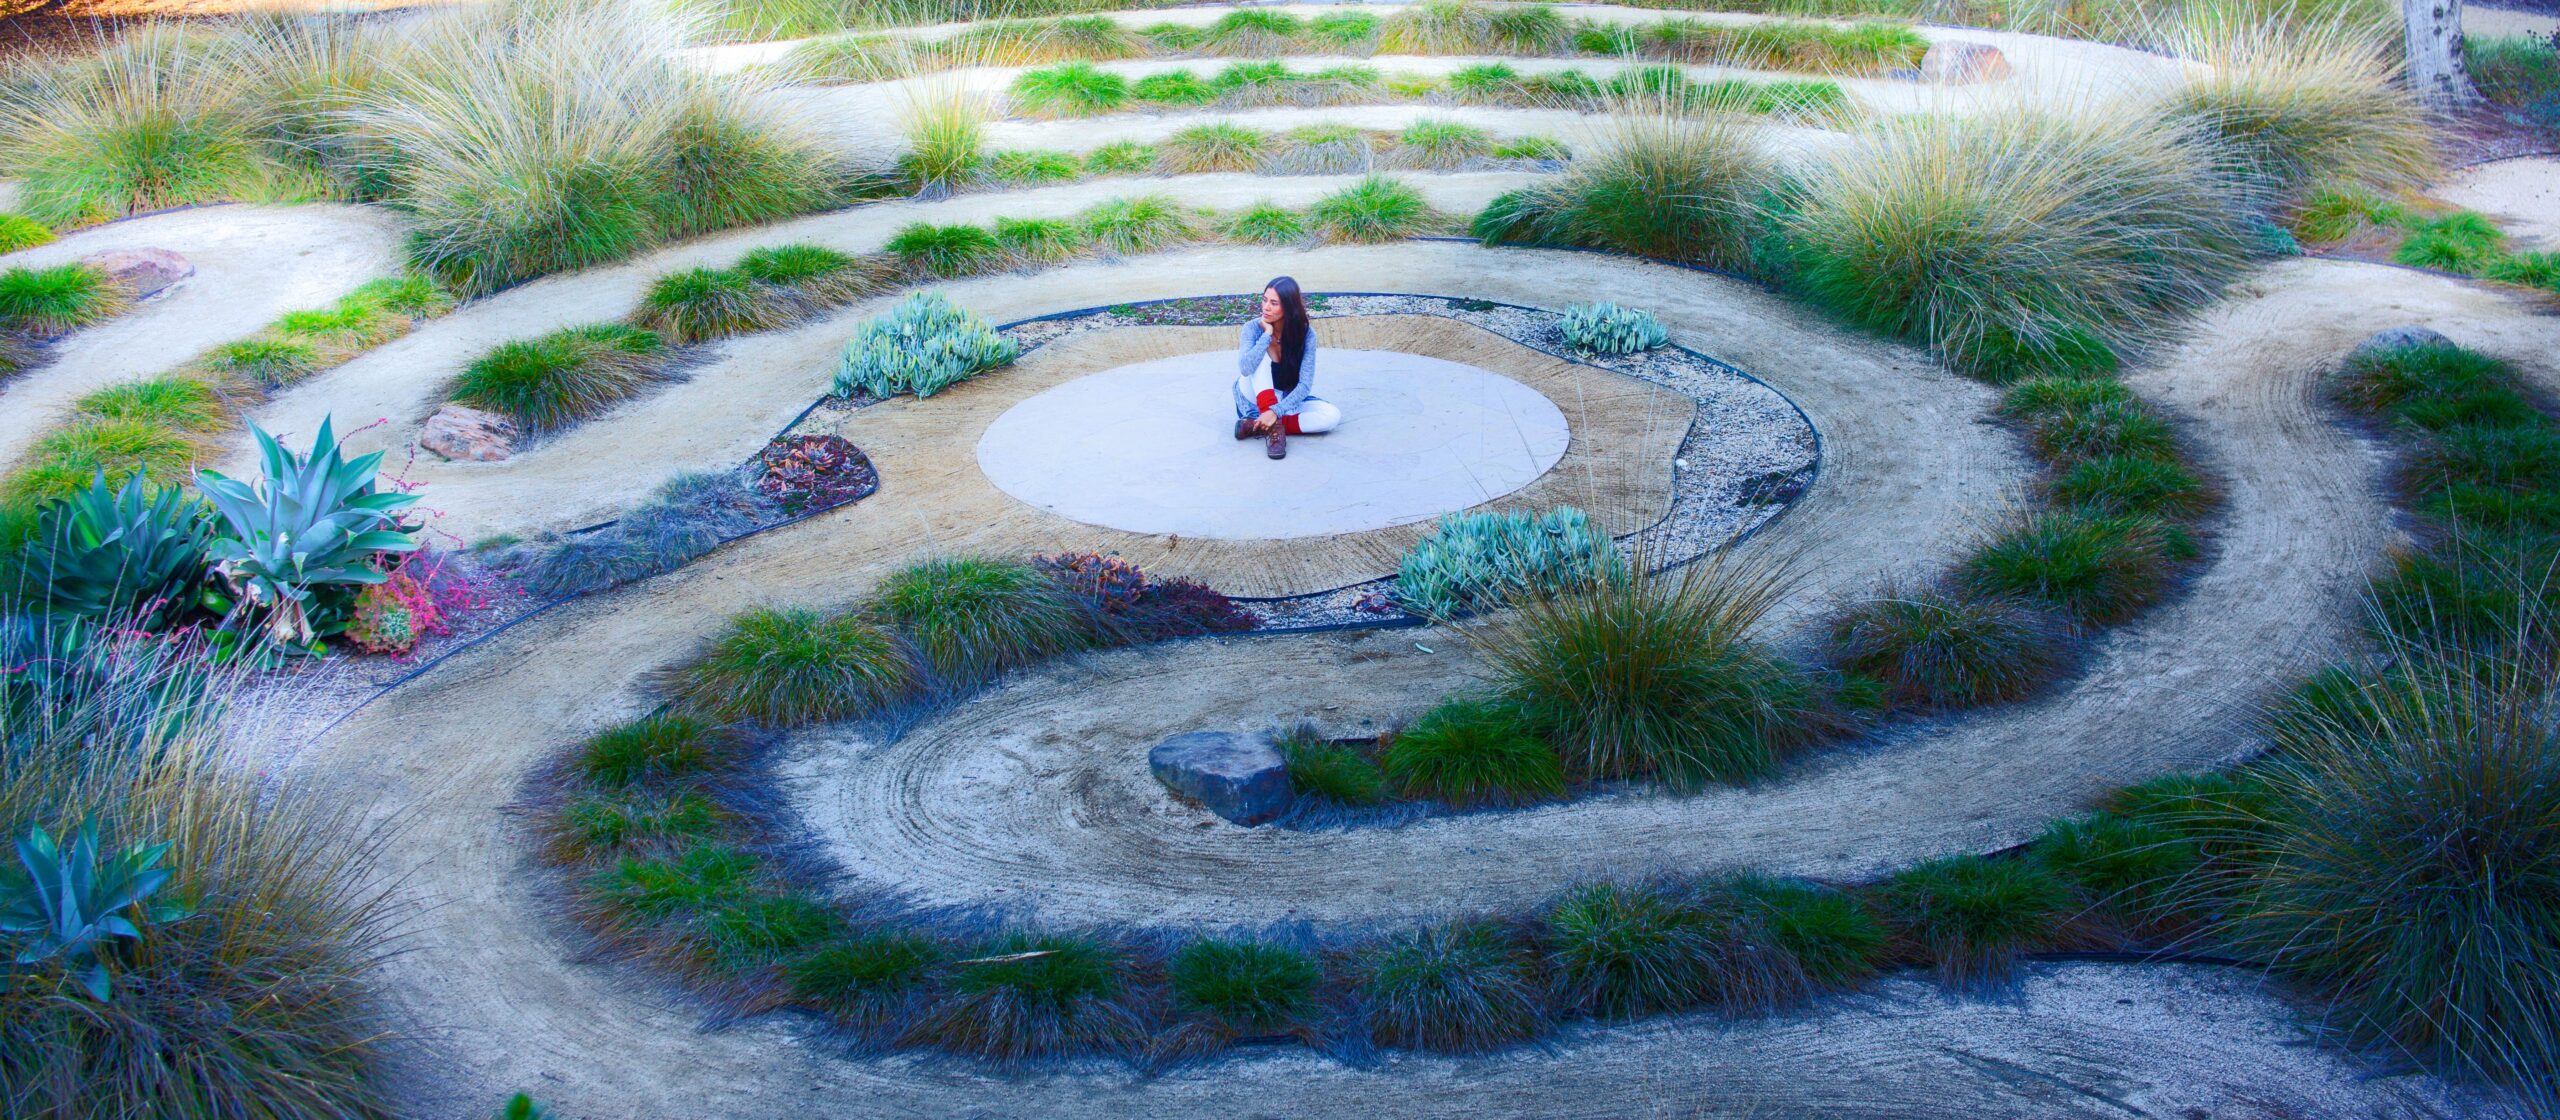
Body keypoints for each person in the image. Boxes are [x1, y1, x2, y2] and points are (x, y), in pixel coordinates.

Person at [1231, 276, 1340, 460]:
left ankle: (1259, 425)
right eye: (1264, 300)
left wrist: (1275, 411)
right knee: (1260, 358)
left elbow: (1305, 385)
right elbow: (1245, 368)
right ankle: (1274, 430)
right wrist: (1266, 335)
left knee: (1332, 416)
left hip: (1282, 400)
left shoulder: (1306, 335)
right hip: (1252, 393)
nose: (1266, 307)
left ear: (1288, 307)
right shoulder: (1252, 328)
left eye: (1274, 303)